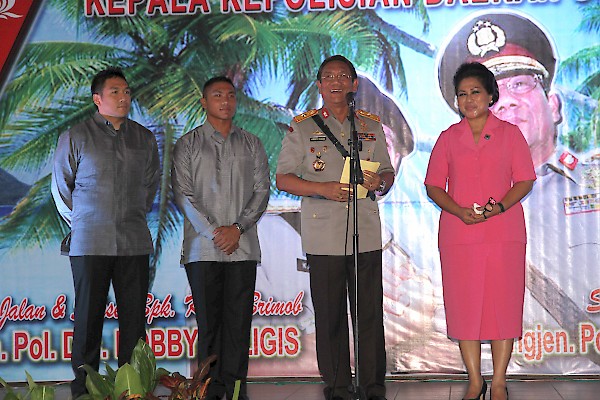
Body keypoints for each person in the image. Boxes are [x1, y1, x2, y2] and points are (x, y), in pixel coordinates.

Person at [437, 11, 600, 371]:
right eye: (492, 94)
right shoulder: (453, 202)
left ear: (554, 106)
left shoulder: (595, 183)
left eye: (520, 84)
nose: (506, 102)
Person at [276, 55, 395, 400]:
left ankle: (373, 386)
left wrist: (380, 182)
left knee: (369, 315)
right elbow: (283, 178)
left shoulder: (370, 126)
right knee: (329, 315)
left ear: (354, 84)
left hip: (366, 233)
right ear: (319, 85)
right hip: (324, 235)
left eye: (343, 76)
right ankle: (339, 386)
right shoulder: (302, 127)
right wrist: (321, 188)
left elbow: (387, 172)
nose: (336, 82)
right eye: (329, 76)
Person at [425, 62, 536, 400]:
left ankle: (499, 381)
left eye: (475, 92)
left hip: (503, 231)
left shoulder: (510, 133)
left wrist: (499, 206)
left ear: (490, 95)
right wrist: (459, 211)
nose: (469, 99)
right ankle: (475, 380)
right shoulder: (448, 138)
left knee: (503, 305)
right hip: (459, 234)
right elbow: (433, 186)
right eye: (462, 94)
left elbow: (525, 180)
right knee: (465, 306)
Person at [51, 67, 160, 398]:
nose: (124, 97)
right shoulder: (76, 136)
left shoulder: (143, 137)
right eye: (115, 91)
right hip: (90, 243)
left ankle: (133, 388)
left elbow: (151, 185)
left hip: (134, 242)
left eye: (126, 91)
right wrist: (85, 220)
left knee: (133, 322)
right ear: (97, 99)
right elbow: (61, 189)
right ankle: (84, 389)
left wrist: (130, 215)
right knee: (87, 320)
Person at [171, 76, 270, 400]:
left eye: (230, 95)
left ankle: (237, 390)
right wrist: (216, 231)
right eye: (217, 95)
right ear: (204, 102)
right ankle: (210, 392)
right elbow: (184, 195)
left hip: (242, 247)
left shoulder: (253, 143)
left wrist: (237, 228)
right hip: (203, 249)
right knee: (210, 326)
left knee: (238, 325)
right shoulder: (187, 144)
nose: (225, 101)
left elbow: (261, 191)